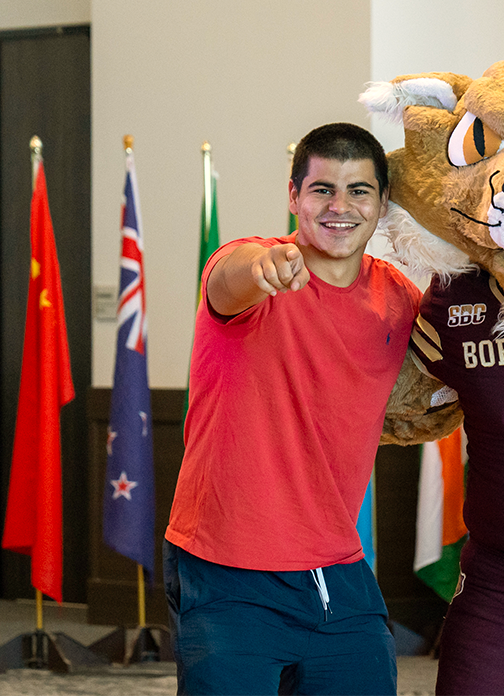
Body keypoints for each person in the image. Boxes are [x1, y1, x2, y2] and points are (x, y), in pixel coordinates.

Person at [163, 122, 422, 695]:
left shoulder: (399, 299)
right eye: (322, 189)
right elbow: (232, 280)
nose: (340, 207)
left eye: (359, 191)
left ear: (382, 204)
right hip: (226, 569)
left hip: (339, 569)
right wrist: (264, 269)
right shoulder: (250, 264)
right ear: (293, 198)